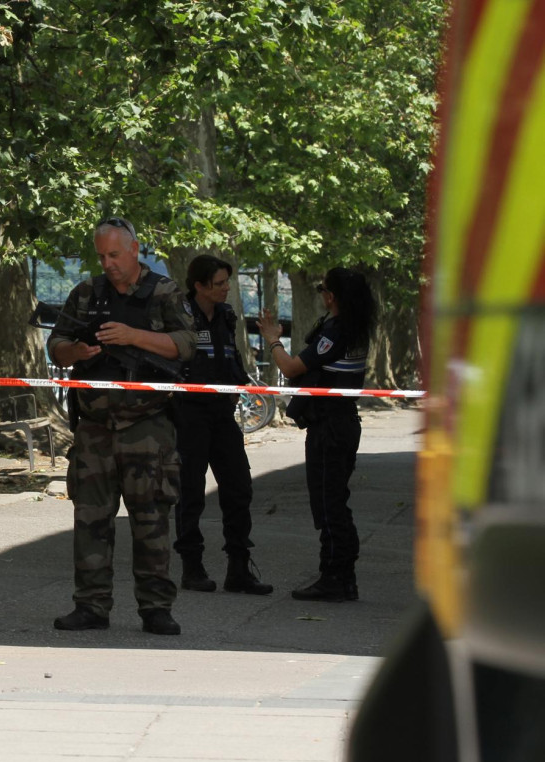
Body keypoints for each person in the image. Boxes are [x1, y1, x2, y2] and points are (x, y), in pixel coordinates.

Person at [48, 216, 196, 635]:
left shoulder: (164, 292)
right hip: (94, 427)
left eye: (114, 254)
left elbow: (185, 346)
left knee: (151, 519)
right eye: (100, 256)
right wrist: (78, 349)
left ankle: (156, 608)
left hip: (146, 426)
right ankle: (91, 606)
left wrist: (133, 336)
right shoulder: (86, 294)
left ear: (134, 250)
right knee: (90, 520)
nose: (107, 263)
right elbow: (56, 346)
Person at [258, 267, 376, 602]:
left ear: (332, 296)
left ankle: (336, 576)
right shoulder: (353, 328)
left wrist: (272, 340)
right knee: (331, 501)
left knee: (330, 504)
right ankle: (339, 575)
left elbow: (292, 368)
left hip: (332, 426)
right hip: (339, 423)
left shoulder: (337, 331)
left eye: (323, 288)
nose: (321, 294)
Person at [174, 255, 273, 595]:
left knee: (238, 487)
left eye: (227, 282)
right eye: (219, 284)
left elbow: (232, 355)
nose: (226, 289)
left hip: (222, 412)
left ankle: (239, 567)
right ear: (199, 285)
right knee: (190, 491)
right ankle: (192, 566)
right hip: (188, 413)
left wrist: (239, 384)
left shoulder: (227, 316)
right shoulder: (180, 313)